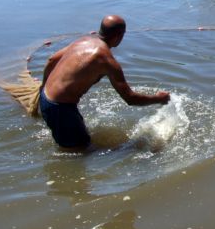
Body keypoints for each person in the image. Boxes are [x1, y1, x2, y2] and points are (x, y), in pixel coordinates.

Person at [39, 15, 170, 149]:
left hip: (45, 97)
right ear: (119, 36)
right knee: (80, 153)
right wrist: (159, 98)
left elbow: (51, 60)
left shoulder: (82, 40)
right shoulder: (106, 60)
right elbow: (130, 99)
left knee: (79, 141)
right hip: (60, 109)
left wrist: (42, 87)